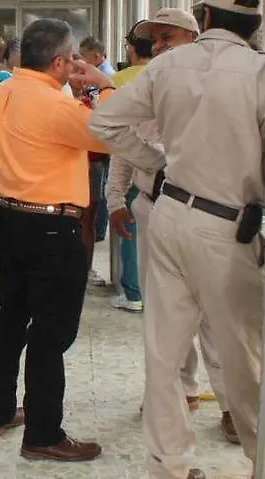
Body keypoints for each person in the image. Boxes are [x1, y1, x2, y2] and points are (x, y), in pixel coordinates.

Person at [90, 0, 265, 479]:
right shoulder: (264, 73)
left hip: (169, 214)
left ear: (205, 18)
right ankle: (261, 456)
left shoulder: (166, 68)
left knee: (163, 349)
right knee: (243, 352)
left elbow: (103, 123)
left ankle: (172, 464)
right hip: (230, 225)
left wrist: (154, 163)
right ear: (255, 23)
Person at [0, 18, 111, 464]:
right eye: (72, 57)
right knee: (51, 333)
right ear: (57, 62)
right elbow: (109, 134)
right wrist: (104, 84)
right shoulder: (54, 105)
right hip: (54, 229)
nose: (77, 63)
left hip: (12, 219)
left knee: (11, 319)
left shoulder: (4, 90)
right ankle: (42, 432)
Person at [103, 21, 155, 313]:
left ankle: (134, 292)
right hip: (168, 184)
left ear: (130, 49)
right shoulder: (159, 80)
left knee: (132, 236)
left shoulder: (119, 80)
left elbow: (111, 128)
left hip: (139, 175)